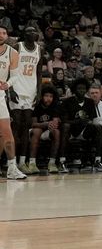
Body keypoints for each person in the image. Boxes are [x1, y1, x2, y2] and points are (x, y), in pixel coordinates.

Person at [8, 26, 43, 173]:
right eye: (28, 31)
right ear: (24, 34)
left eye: (34, 31)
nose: (31, 33)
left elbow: (39, 72)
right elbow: (7, 68)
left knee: (26, 127)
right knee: (16, 126)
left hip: (31, 90)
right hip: (16, 88)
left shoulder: (39, 49)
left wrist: (39, 92)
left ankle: (23, 162)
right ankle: (12, 163)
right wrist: (10, 89)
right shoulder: (17, 46)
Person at [0, 25, 26, 179]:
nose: (1, 35)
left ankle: (12, 168)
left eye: (4, 33)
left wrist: (7, 84)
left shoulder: (12, 52)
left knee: (7, 134)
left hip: (0, 95)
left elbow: (15, 75)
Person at [28, 86, 62, 174]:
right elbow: (33, 124)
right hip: (34, 130)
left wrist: (54, 123)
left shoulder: (55, 106)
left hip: (46, 131)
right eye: (46, 96)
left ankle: (52, 163)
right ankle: (32, 163)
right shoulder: (37, 106)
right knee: (37, 130)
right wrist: (46, 124)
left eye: (51, 96)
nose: (49, 98)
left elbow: (55, 121)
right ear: (42, 96)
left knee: (57, 132)